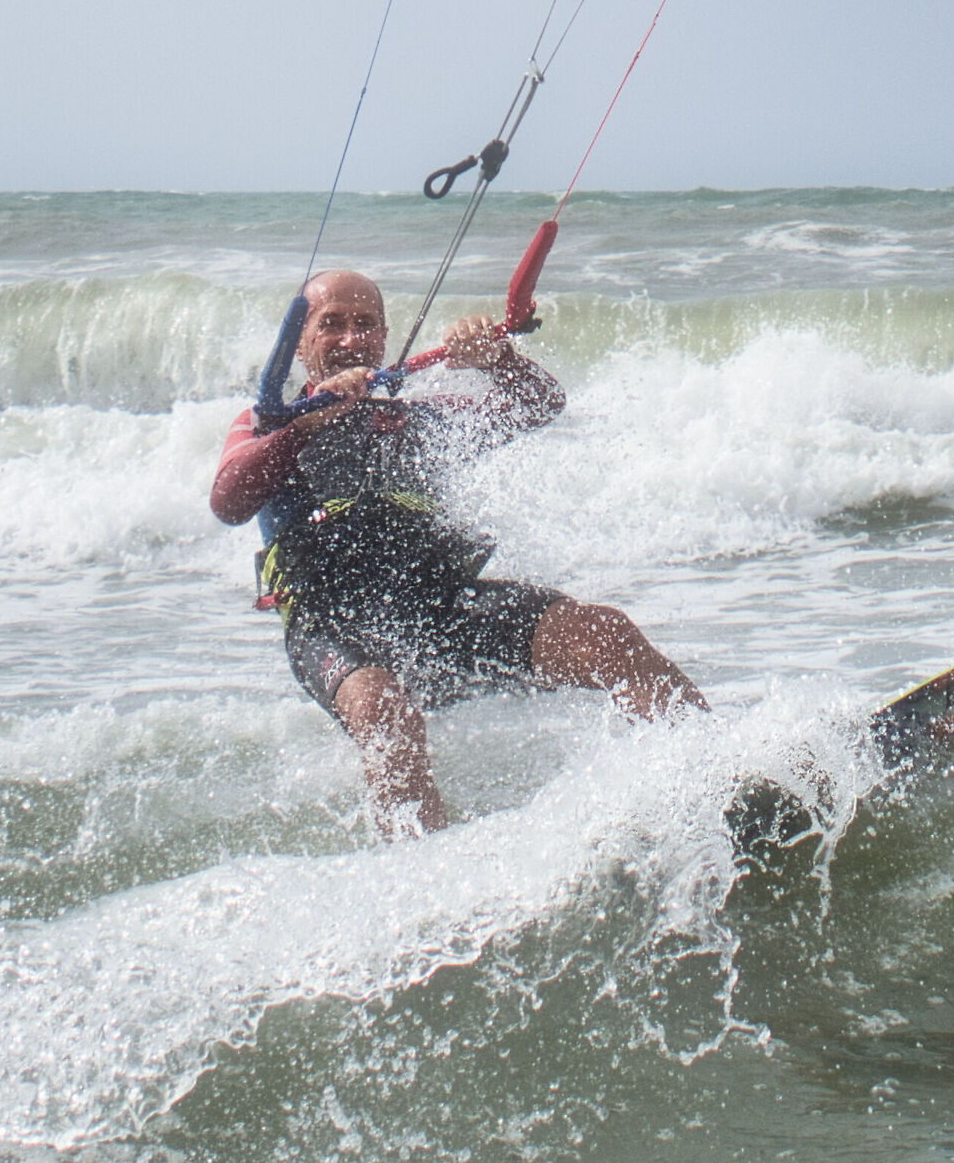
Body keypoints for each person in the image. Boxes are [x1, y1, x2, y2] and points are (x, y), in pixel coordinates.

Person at [210, 268, 705, 835]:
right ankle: (421, 878)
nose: (350, 338)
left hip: (439, 613)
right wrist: (305, 427)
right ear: (300, 342)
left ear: (384, 335)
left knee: (606, 634)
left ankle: (714, 772)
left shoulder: (415, 421)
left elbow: (539, 404)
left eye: (365, 324)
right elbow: (227, 501)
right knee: (383, 714)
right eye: (332, 325)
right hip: (333, 625)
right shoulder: (266, 422)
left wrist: (498, 360)